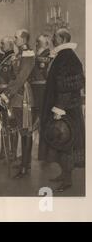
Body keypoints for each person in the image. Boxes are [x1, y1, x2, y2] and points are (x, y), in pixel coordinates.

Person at [39, 28, 85, 192]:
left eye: (55, 37)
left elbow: (69, 85)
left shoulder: (68, 57)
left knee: (67, 142)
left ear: (63, 39)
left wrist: (60, 108)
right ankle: (64, 174)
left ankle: (68, 180)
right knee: (60, 141)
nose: (52, 39)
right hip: (60, 106)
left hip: (66, 109)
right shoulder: (61, 55)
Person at [0, 29, 35, 179]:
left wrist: (7, 93)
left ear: (24, 39)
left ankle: (26, 166)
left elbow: (21, 78)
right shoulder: (18, 54)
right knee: (21, 130)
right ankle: (24, 162)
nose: (14, 40)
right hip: (16, 96)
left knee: (26, 131)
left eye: (16, 37)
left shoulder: (28, 54)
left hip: (23, 96)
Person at [0, 36, 16, 160]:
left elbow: (13, 80)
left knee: (11, 125)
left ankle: (12, 153)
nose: (1, 46)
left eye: (3, 44)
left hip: (8, 96)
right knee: (3, 123)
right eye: (1, 43)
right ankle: (4, 151)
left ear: (11, 45)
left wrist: (6, 94)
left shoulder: (13, 59)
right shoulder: (4, 58)